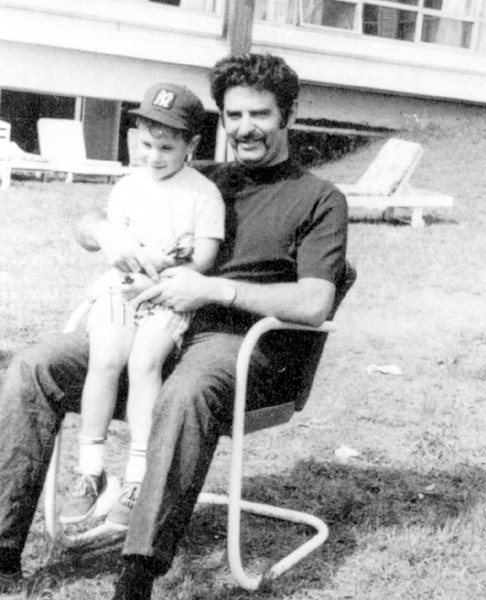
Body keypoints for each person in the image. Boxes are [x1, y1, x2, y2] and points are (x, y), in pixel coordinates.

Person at [0, 53, 350, 599]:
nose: (246, 128)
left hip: (240, 344)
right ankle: (2, 549)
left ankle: (136, 575)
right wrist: (107, 233)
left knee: (186, 391)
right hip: (155, 327)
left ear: (290, 115)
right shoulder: (194, 174)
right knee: (35, 366)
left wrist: (212, 289)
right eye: (234, 115)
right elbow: (91, 221)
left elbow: (314, 301)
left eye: (260, 114)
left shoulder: (319, 199)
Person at [60, 83, 225, 528]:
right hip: (125, 286)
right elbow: (116, 243)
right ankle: (90, 470)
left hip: (168, 292)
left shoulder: (203, 193)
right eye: (147, 144)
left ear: (191, 145)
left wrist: (165, 262)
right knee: (105, 359)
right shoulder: (129, 187)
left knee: (144, 362)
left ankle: (138, 476)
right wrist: (131, 253)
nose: (153, 156)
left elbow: (204, 257)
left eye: (166, 148)